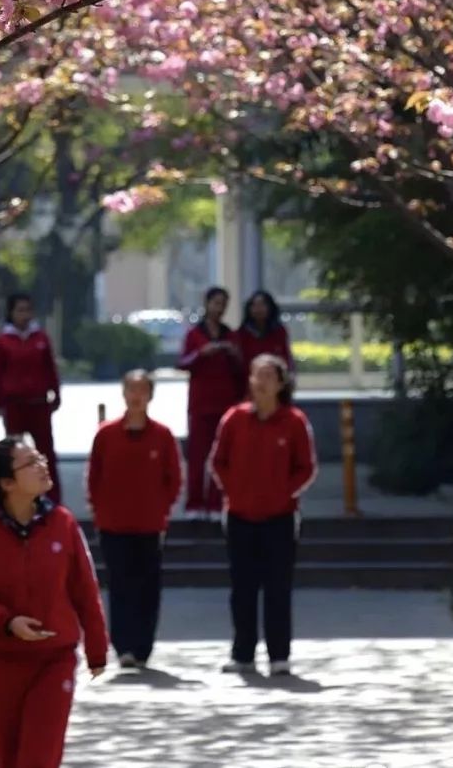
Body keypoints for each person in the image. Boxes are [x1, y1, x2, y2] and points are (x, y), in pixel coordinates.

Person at [0, 437, 107, 768]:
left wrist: (97, 646)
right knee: (8, 760)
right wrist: (7, 622)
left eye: (41, 459)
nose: (43, 466)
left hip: (54, 659)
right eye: (31, 463)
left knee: (37, 759)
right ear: (7, 483)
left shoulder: (62, 523)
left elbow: (84, 588)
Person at [209, 353, 317, 677]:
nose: (261, 381)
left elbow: (306, 468)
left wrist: (283, 492)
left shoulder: (294, 421)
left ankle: (279, 655)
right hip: (240, 515)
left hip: (280, 518)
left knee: (277, 589)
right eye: (257, 375)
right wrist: (234, 491)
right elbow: (218, 462)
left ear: (281, 383)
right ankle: (242, 653)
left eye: (269, 376)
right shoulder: (234, 418)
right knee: (242, 588)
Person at [86, 369, 183, 670]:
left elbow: (174, 479)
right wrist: (100, 510)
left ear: (151, 395)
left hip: (150, 524)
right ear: (123, 393)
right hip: (114, 524)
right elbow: (94, 478)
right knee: (120, 585)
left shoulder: (163, 435)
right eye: (132, 389)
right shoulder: (106, 434)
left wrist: (161, 509)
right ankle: (123, 646)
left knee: (148, 586)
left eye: (143, 390)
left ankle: (143, 647)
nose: (137, 396)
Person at [0, 293, 62, 500]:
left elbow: (50, 369)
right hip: (14, 405)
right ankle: (17, 497)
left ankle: (52, 498)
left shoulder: (41, 338)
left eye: (28, 310)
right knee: (15, 455)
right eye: (20, 310)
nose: (25, 315)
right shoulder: (2, 341)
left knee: (46, 453)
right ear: (11, 313)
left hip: (38, 403)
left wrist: (56, 394)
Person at [177, 285, 242, 518]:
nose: (219, 308)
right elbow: (182, 363)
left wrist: (233, 354)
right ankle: (194, 503)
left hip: (225, 403)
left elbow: (241, 369)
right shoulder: (194, 334)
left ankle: (216, 503)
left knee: (221, 455)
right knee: (197, 456)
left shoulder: (230, 335)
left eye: (223, 303)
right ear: (207, 304)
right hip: (200, 403)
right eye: (216, 303)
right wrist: (201, 353)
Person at [234, 289, 294, 387]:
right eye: (254, 305)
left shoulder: (279, 332)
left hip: (274, 386)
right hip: (248, 385)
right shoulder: (240, 334)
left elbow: (286, 358)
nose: (258, 309)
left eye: (262, 305)